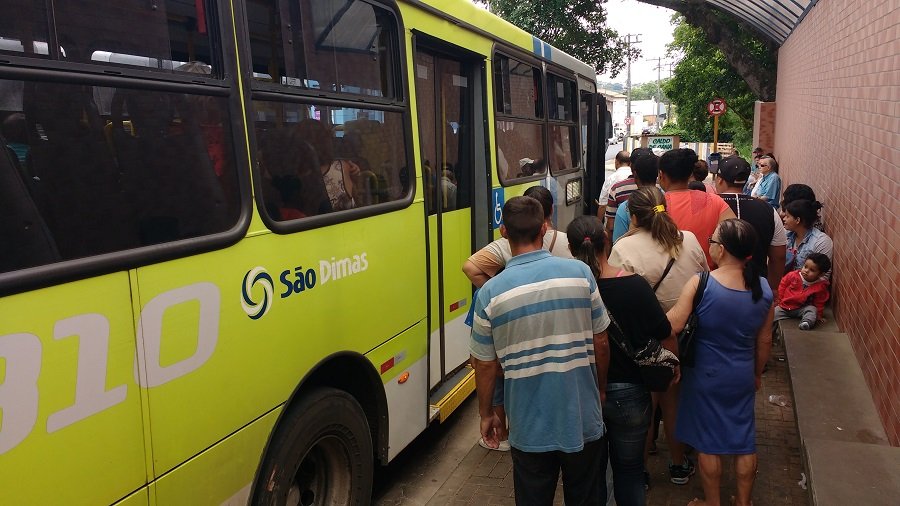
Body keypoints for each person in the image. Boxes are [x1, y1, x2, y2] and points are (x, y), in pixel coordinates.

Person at [470, 196, 611, 505]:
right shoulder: (581, 274)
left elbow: (484, 364)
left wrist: (487, 413)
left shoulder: (490, 293)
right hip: (581, 416)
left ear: (503, 231)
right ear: (545, 228)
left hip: (528, 425)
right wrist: (599, 390)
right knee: (586, 495)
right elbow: (601, 340)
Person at [667, 219, 775, 506]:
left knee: (708, 444)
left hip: (705, 375)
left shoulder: (702, 283)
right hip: (740, 374)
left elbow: (674, 324)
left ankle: (712, 503)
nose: (710, 246)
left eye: (712, 241)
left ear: (723, 250)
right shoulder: (763, 289)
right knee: (744, 440)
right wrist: (756, 373)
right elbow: (764, 341)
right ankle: (742, 502)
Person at [567, 215, 672, 506]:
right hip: (631, 393)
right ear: (607, 241)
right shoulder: (635, 285)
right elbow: (664, 332)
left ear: (570, 248)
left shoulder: (567, 290)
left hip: (584, 392)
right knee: (630, 470)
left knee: (591, 473)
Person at [608, 186, 707, 487]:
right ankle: (678, 465)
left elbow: (618, 298)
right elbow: (703, 278)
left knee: (646, 405)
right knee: (673, 401)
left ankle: (639, 470)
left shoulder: (624, 249)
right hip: (683, 336)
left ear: (633, 216)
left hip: (643, 340)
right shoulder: (687, 239)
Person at [462, 185, 572, 451]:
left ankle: (504, 434)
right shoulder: (573, 255)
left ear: (505, 230)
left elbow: (469, 267)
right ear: (546, 220)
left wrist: (499, 288)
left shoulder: (501, 255)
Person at [463, 185, 571, 287]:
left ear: (503, 231)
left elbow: (470, 268)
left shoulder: (506, 244)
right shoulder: (569, 241)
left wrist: (500, 291)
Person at [714, 156, 787, 294]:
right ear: (746, 180)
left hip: (714, 288)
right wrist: (772, 289)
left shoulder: (709, 205)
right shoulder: (768, 209)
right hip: (756, 289)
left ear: (719, 179)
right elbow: (779, 256)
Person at [658, 148, 736, 266]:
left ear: (661, 175)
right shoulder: (715, 202)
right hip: (707, 278)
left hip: (664, 279)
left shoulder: (656, 206)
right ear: (690, 174)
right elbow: (735, 236)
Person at [612, 149, 659, 242]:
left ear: (635, 174)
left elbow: (617, 240)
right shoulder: (667, 200)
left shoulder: (625, 207)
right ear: (658, 173)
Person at [776, 252, 831, 330]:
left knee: (812, 310)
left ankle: (806, 323)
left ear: (821, 274)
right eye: (805, 266)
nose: (806, 271)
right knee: (770, 315)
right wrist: (778, 301)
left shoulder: (820, 286)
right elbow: (782, 287)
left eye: (812, 270)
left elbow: (819, 302)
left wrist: (819, 315)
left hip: (801, 309)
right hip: (784, 307)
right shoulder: (792, 276)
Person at [783, 199, 833, 277]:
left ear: (797, 220)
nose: (784, 219)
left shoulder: (821, 241)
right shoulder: (786, 235)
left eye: (787, 216)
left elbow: (824, 276)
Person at [597, 150, 632, 219]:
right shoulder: (636, 178)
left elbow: (603, 206)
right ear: (630, 163)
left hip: (614, 223)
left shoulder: (611, 179)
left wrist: (598, 225)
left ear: (616, 162)